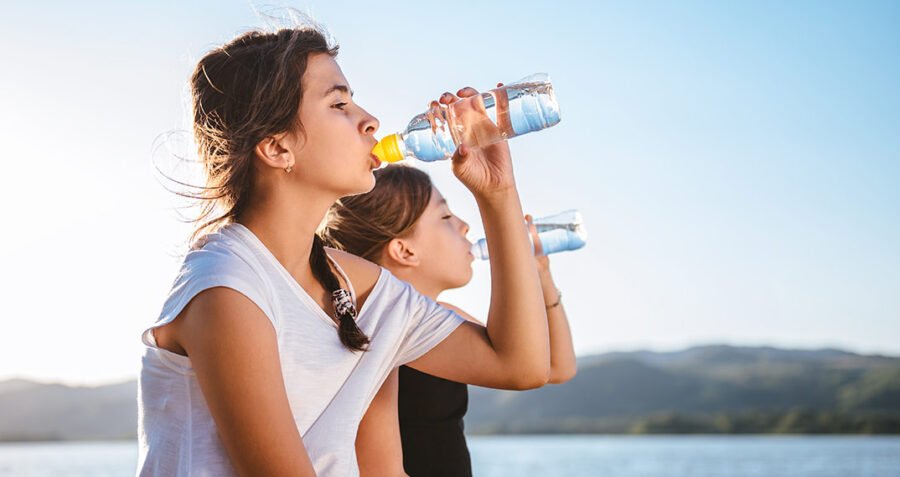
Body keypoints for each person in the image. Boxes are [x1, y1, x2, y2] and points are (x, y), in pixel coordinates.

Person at [137, 22, 551, 477]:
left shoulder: (358, 287)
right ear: (277, 148)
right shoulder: (228, 287)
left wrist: (498, 194)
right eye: (339, 104)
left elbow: (520, 365)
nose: (370, 120)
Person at [321, 164, 577, 477]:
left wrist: (540, 274)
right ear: (404, 250)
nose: (466, 225)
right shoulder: (371, 331)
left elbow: (556, 367)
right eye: (445, 217)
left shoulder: (443, 321)